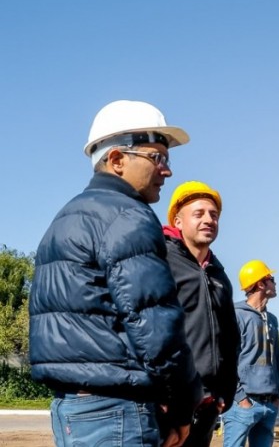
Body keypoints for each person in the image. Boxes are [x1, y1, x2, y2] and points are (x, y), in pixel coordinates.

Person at [29, 100, 203, 447]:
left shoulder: (68, 217)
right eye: (158, 158)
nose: (166, 171)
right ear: (117, 160)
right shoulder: (126, 216)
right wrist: (185, 405)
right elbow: (155, 326)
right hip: (117, 412)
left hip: (73, 410)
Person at [163, 181, 240, 446]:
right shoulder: (160, 262)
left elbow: (230, 337)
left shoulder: (219, 275)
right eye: (199, 213)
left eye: (214, 215)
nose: (208, 219)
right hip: (167, 407)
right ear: (178, 221)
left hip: (207, 405)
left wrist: (226, 392)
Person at [222, 260, 279, 447]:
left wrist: (277, 395)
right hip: (243, 404)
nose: (275, 283)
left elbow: (277, 359)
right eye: (271, 279)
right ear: (260, 284)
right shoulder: (236, 315)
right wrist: (241, 399)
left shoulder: (272, 320)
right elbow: (225, 360)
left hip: (269, 404)